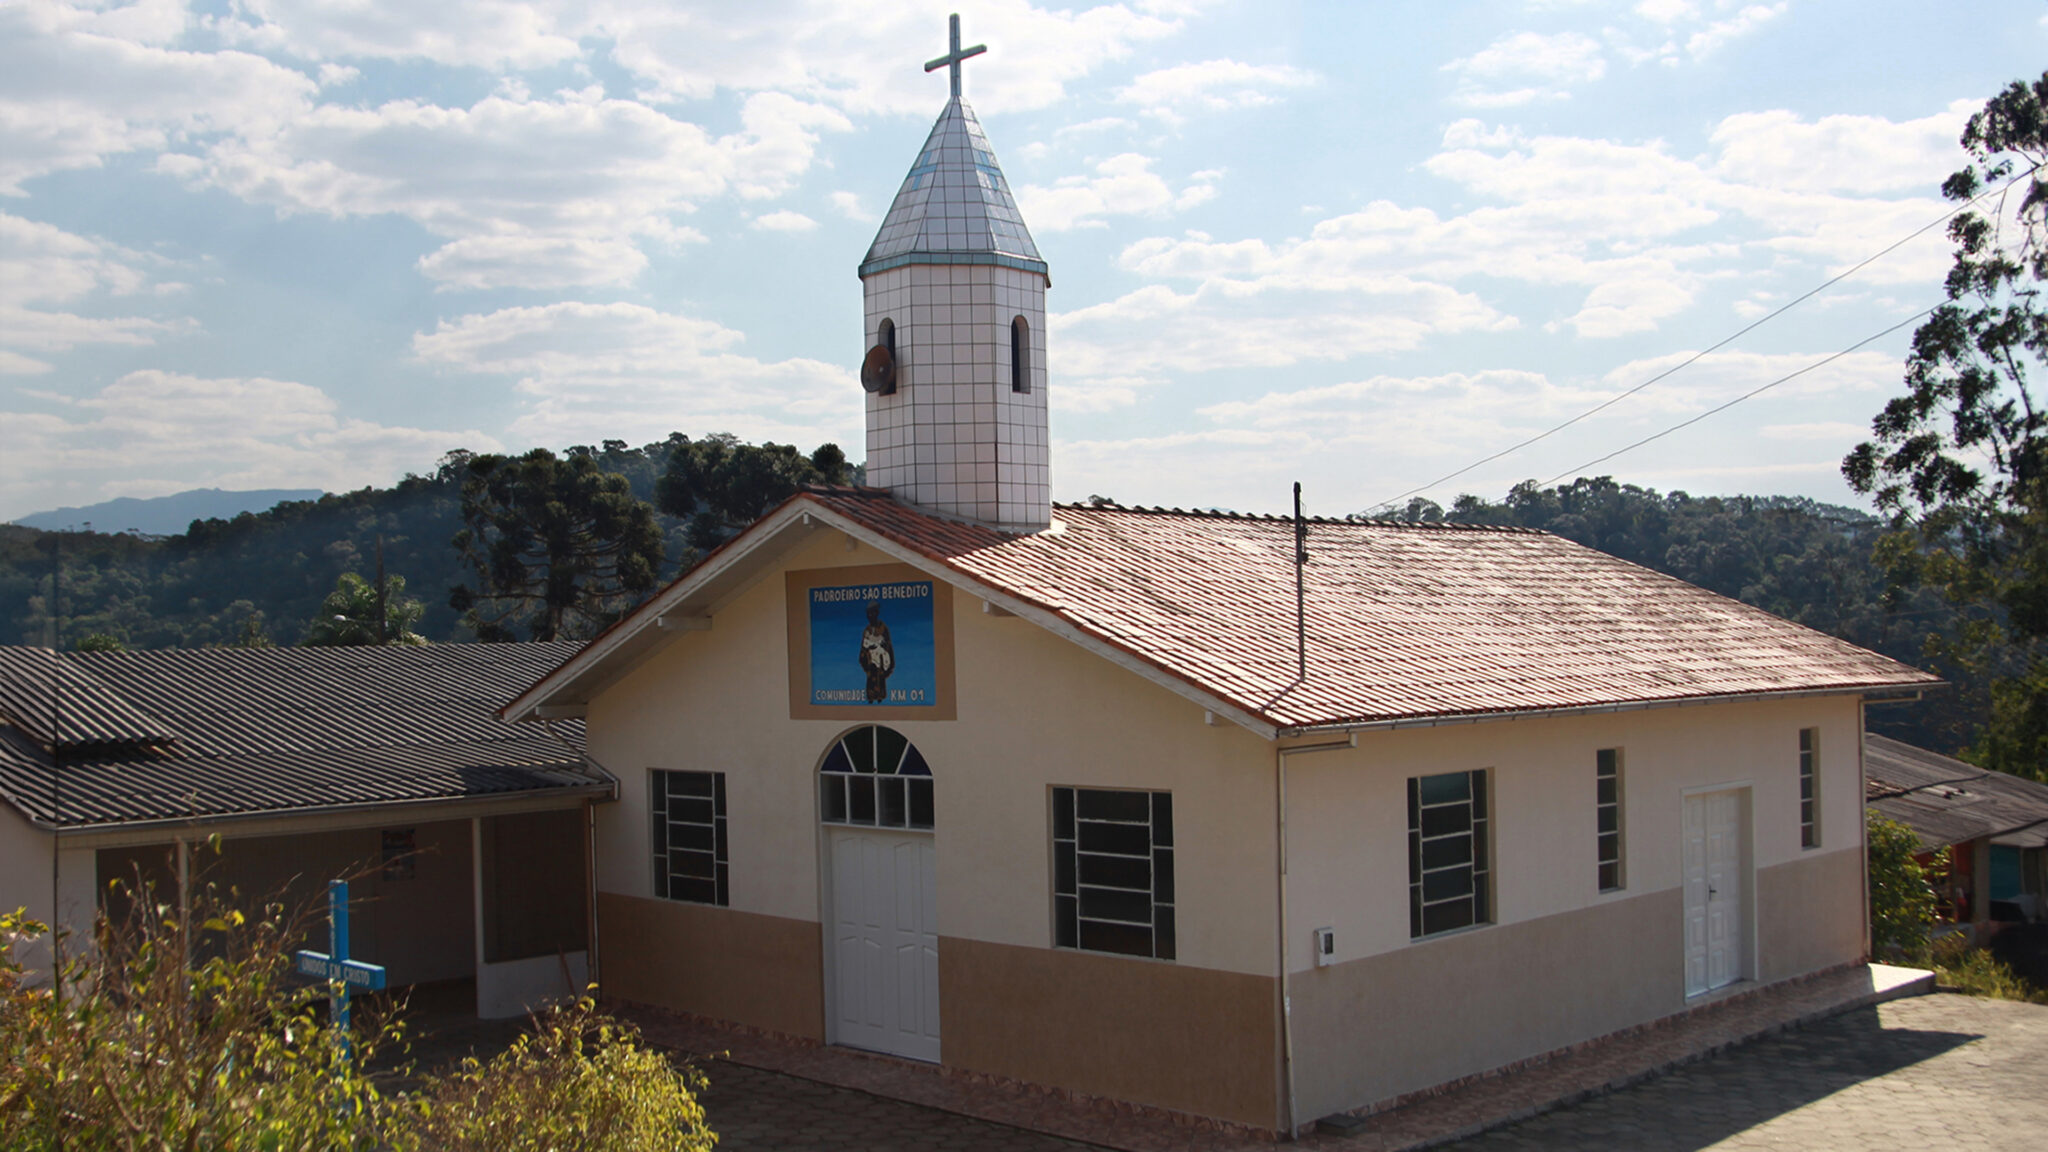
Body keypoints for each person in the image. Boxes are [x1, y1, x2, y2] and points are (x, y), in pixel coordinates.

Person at [858, 601, 894, 702]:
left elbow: (888, 647)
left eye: (872, 613)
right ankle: (872, 698)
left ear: (876, 613)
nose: (870, 616)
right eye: (868, 614)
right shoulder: (867, 630)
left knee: (880, 687)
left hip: (881, 665)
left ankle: (879, 697)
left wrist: (888, 666)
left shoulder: (883, 628)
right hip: (870, 666)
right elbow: (863, 649)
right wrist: (865, 662)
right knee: (871, 688)